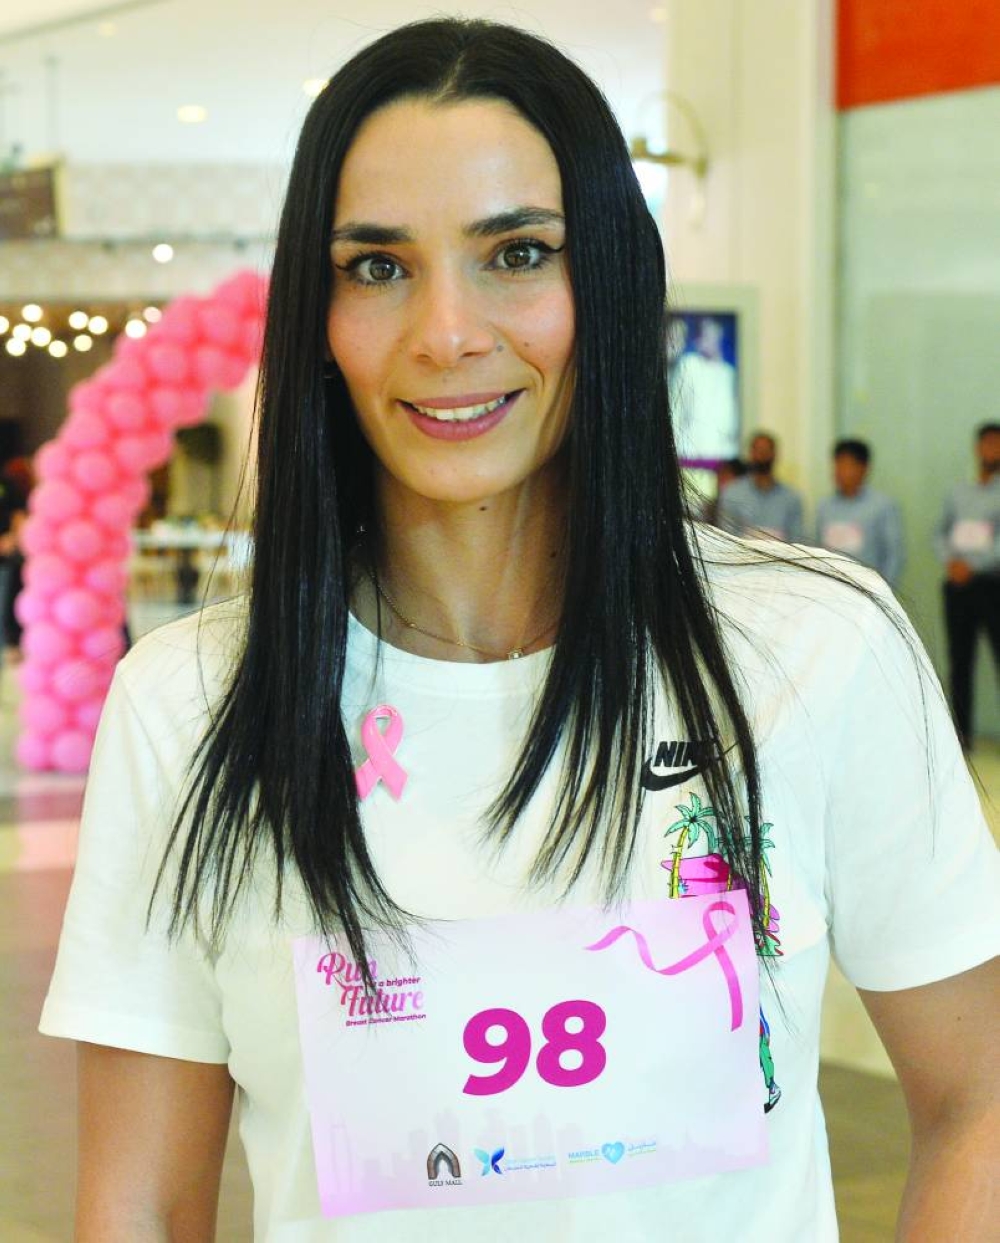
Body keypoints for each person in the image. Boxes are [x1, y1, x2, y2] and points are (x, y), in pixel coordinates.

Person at [39, 19, 999, 1243]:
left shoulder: (813, 648)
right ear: (315, 315)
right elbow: (139, 1201)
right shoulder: (189, 707)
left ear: (609, 281)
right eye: (375, 266)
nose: (447, 331)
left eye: (518, 253)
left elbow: (980, 1098)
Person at [934, 421, 1000, 750]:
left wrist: (973, 565)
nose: (992, 450)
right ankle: (962, 736)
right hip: (957, 585)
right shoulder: (958, 491)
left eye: (997, 444)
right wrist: (951, 561)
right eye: (987, 443)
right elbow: (940, 532)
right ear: (977, 448)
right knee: (960, 661)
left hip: (992, 584)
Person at [814, 439, 905, 588]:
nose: (840, 471)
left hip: (868, 590)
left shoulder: (882, 506)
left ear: (864, 468)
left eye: (847, 465)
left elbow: (894, 555)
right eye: (837, 465)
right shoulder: (824, 507)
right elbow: (817, 550)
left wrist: (883, 590)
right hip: (830, 588)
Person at [716, 431, 805, 542]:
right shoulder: (732, 494)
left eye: (766, 451)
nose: (762, 455)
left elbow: (797, 541)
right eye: (758, 450)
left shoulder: (792, 498)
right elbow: (726, 537)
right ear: (750, 454)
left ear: (775, 455)